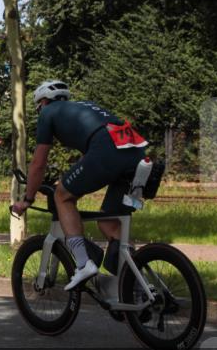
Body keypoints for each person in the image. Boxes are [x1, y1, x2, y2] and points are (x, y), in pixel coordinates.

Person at [10, 80, 147, 290]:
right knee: (109, 224)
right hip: (137, 153)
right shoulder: (84, 107)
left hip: (108, 151)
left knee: (62, 196)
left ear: (43, 102)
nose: (40, 112)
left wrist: (27, 199)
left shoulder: (49, 112)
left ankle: (83, 263)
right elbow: (91, 159)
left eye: (38, 108)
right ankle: (139, 288)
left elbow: (38, 163)